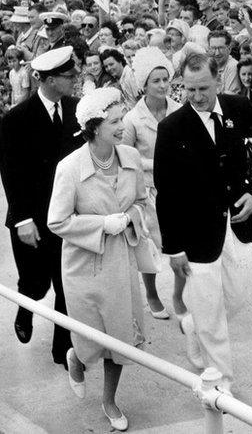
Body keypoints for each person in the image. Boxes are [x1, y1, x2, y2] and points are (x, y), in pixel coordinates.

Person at [154, 52, 252, 391]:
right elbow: (167, 191)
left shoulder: (240, 108)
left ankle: (193, 327)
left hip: (238, 225)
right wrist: (173, 248)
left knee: (237, 297)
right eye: (189, 90)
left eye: (203, 88)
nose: (196, 97)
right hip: (195, 236)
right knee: (210, 310)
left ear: (218, 80)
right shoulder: (171, 127)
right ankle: (222, 381)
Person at [48, 88, 148, 431]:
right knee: (91, 337)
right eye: (114, 121)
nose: (122, 126)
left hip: (121, 261)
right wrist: (102, 224)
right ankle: (76, 356)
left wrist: (130, 215)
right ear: (93, 127)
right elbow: (57, 221)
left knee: (119, 338)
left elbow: (142, 200)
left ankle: (109, 399)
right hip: (84, 266)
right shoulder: (70, 167)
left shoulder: (131, 157)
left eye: (122, 118)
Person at [0, 46, 83, 368]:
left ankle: (63, 348)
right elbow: (11, 172)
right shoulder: (16, 119)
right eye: (68, 76)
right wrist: (22, 219)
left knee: (67, 286)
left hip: (68, 217)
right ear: (47, 80)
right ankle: (26, 308)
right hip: (32, 217)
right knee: (35, 284)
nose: (75, 79)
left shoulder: (78, 111)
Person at [122, 47, 184, 322]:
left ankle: (179, 295)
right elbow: (125, 156)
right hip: (147, 192)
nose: (162, 85)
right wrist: (156, 165)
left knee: (182, 245)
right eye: (155, 81)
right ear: (144, 85)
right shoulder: (133, 118)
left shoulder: (180, 110)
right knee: (148, 249)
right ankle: (151, 294)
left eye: (165, 79)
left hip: (178, 189)